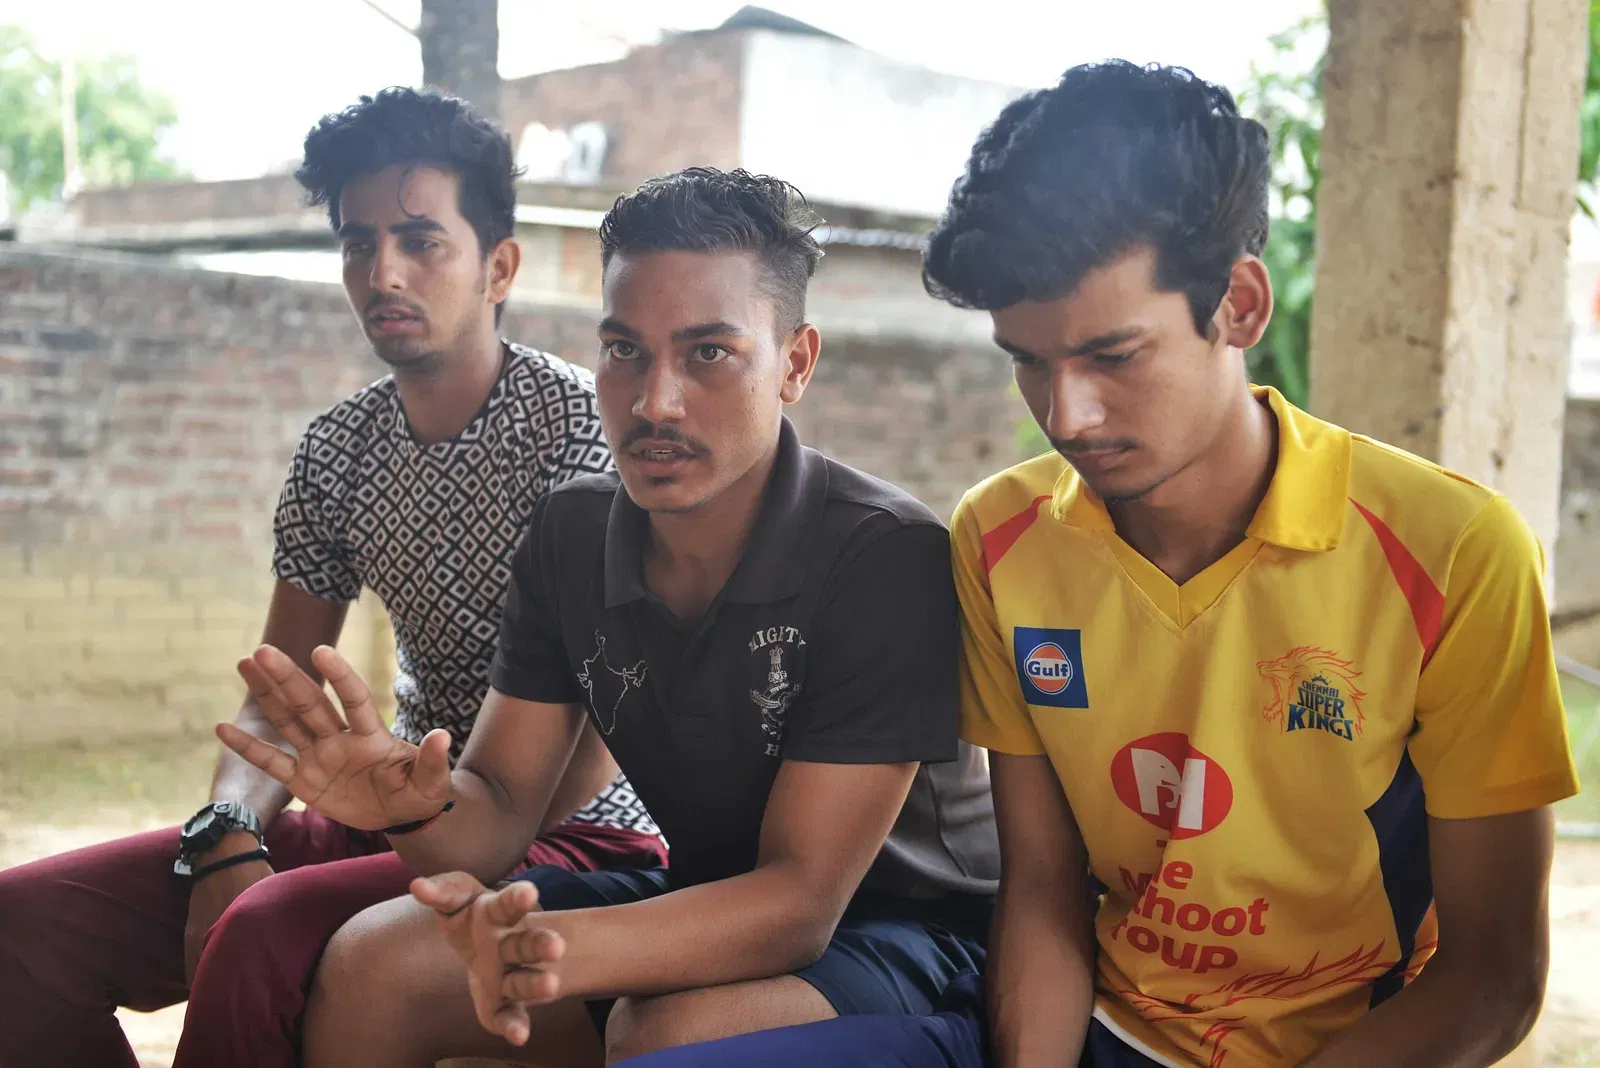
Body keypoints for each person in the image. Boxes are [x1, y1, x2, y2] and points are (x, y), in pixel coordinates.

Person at [615, 59, 1582, 1068]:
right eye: (1028, 361)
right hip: (1081, 1026)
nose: (1067, 415)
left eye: (1113, 356)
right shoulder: (1002, 539)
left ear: (1239, 305)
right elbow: (1041, 889)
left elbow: (1494, 978)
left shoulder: (1452, 551)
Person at [215, 166, 1000, 1068]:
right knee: (372, 967)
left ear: (795, 363)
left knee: (660, 1031)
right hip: (701, 891)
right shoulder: (574, 533)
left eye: (709, 354)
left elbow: (799, 903)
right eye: (625, 350)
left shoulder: (883, 552)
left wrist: (553, 951)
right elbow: (496, 811)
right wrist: (410, 807)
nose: (654, 401)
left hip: (911, 932)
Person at [0, 87, 663, 1068]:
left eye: (421, 241)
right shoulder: (338, 450)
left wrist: (424, 823)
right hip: (382, 809)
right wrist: (228, 833)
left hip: (575, 838)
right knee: (23, 928)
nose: (382, 272)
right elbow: (275, 692)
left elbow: (590, 750)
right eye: (358, 244)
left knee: (259, 934)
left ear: (499, 266)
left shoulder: (578, 437)